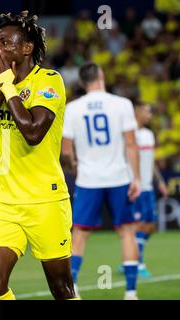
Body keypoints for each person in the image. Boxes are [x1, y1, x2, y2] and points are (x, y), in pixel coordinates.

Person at [0, 11, 77, 300]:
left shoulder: (50, 81)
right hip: (6, 201)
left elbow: (33, 132)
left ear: (26, 48)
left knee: (62, 289)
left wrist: (8, 86)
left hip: (47, 199)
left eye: (5, 43)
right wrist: (0, 90)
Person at [62, 62, 141, 300]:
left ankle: (73, 288)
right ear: (101, 76)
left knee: (79, 234)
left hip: (88, 179)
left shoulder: (72, 108)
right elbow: (130, 144)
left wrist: (76, 166)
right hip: (118, 176)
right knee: (127, 232)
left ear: (83, 82)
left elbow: (66, 151)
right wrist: (136, 177)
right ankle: (130, 292)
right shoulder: (122, 104)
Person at [120, 102, 168, 277]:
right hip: (136, 186)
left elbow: (151, 161)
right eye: (147, 111)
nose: (150, 115)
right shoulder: (129, 134)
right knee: (138, 225)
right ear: (138, 112)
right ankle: (137, 263)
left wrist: (160, 181)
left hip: (148, 186)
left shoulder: (148, 135)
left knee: (151, 225)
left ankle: (129, 259)